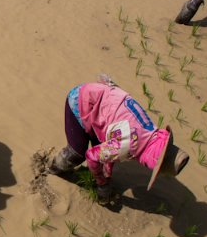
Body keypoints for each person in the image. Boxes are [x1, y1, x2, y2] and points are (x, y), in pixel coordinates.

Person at [44, 76, 189, 205]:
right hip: (80, 100)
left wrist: (107, 172)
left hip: (101, 102)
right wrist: (102, 184)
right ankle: (49, 169)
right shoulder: (128, 145)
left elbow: (116, 144)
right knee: (77, 153)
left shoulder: (151, 133)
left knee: (102, 154)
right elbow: (92, 156)